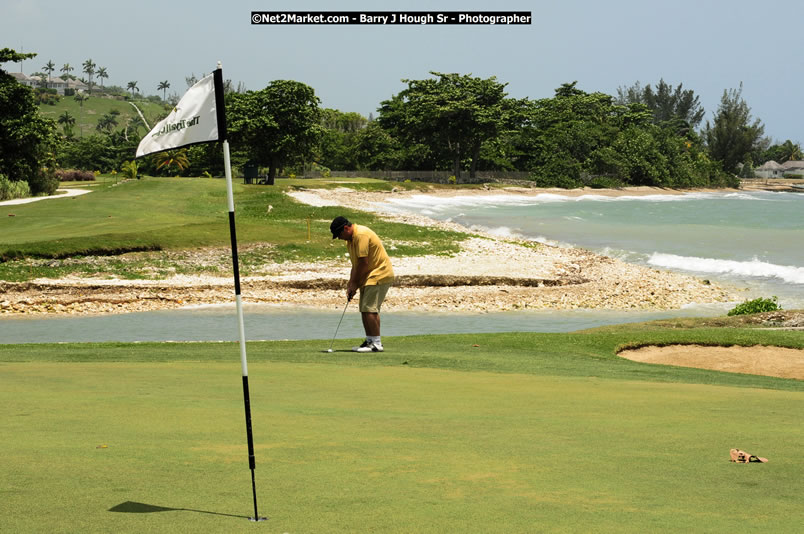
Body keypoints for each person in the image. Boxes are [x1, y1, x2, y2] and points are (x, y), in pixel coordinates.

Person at [330, 216, 394, 352]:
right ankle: (370, 341)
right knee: (364, 309)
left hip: (379, 273)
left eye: (339, 234)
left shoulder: (361, 235)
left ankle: (376, 344)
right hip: (369, 275)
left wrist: (355, 283)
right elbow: (356, 265)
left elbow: (364, 263)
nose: (339, 238)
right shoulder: (350, 241)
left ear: (346, 228)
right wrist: (351, 284)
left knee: (370, 309)